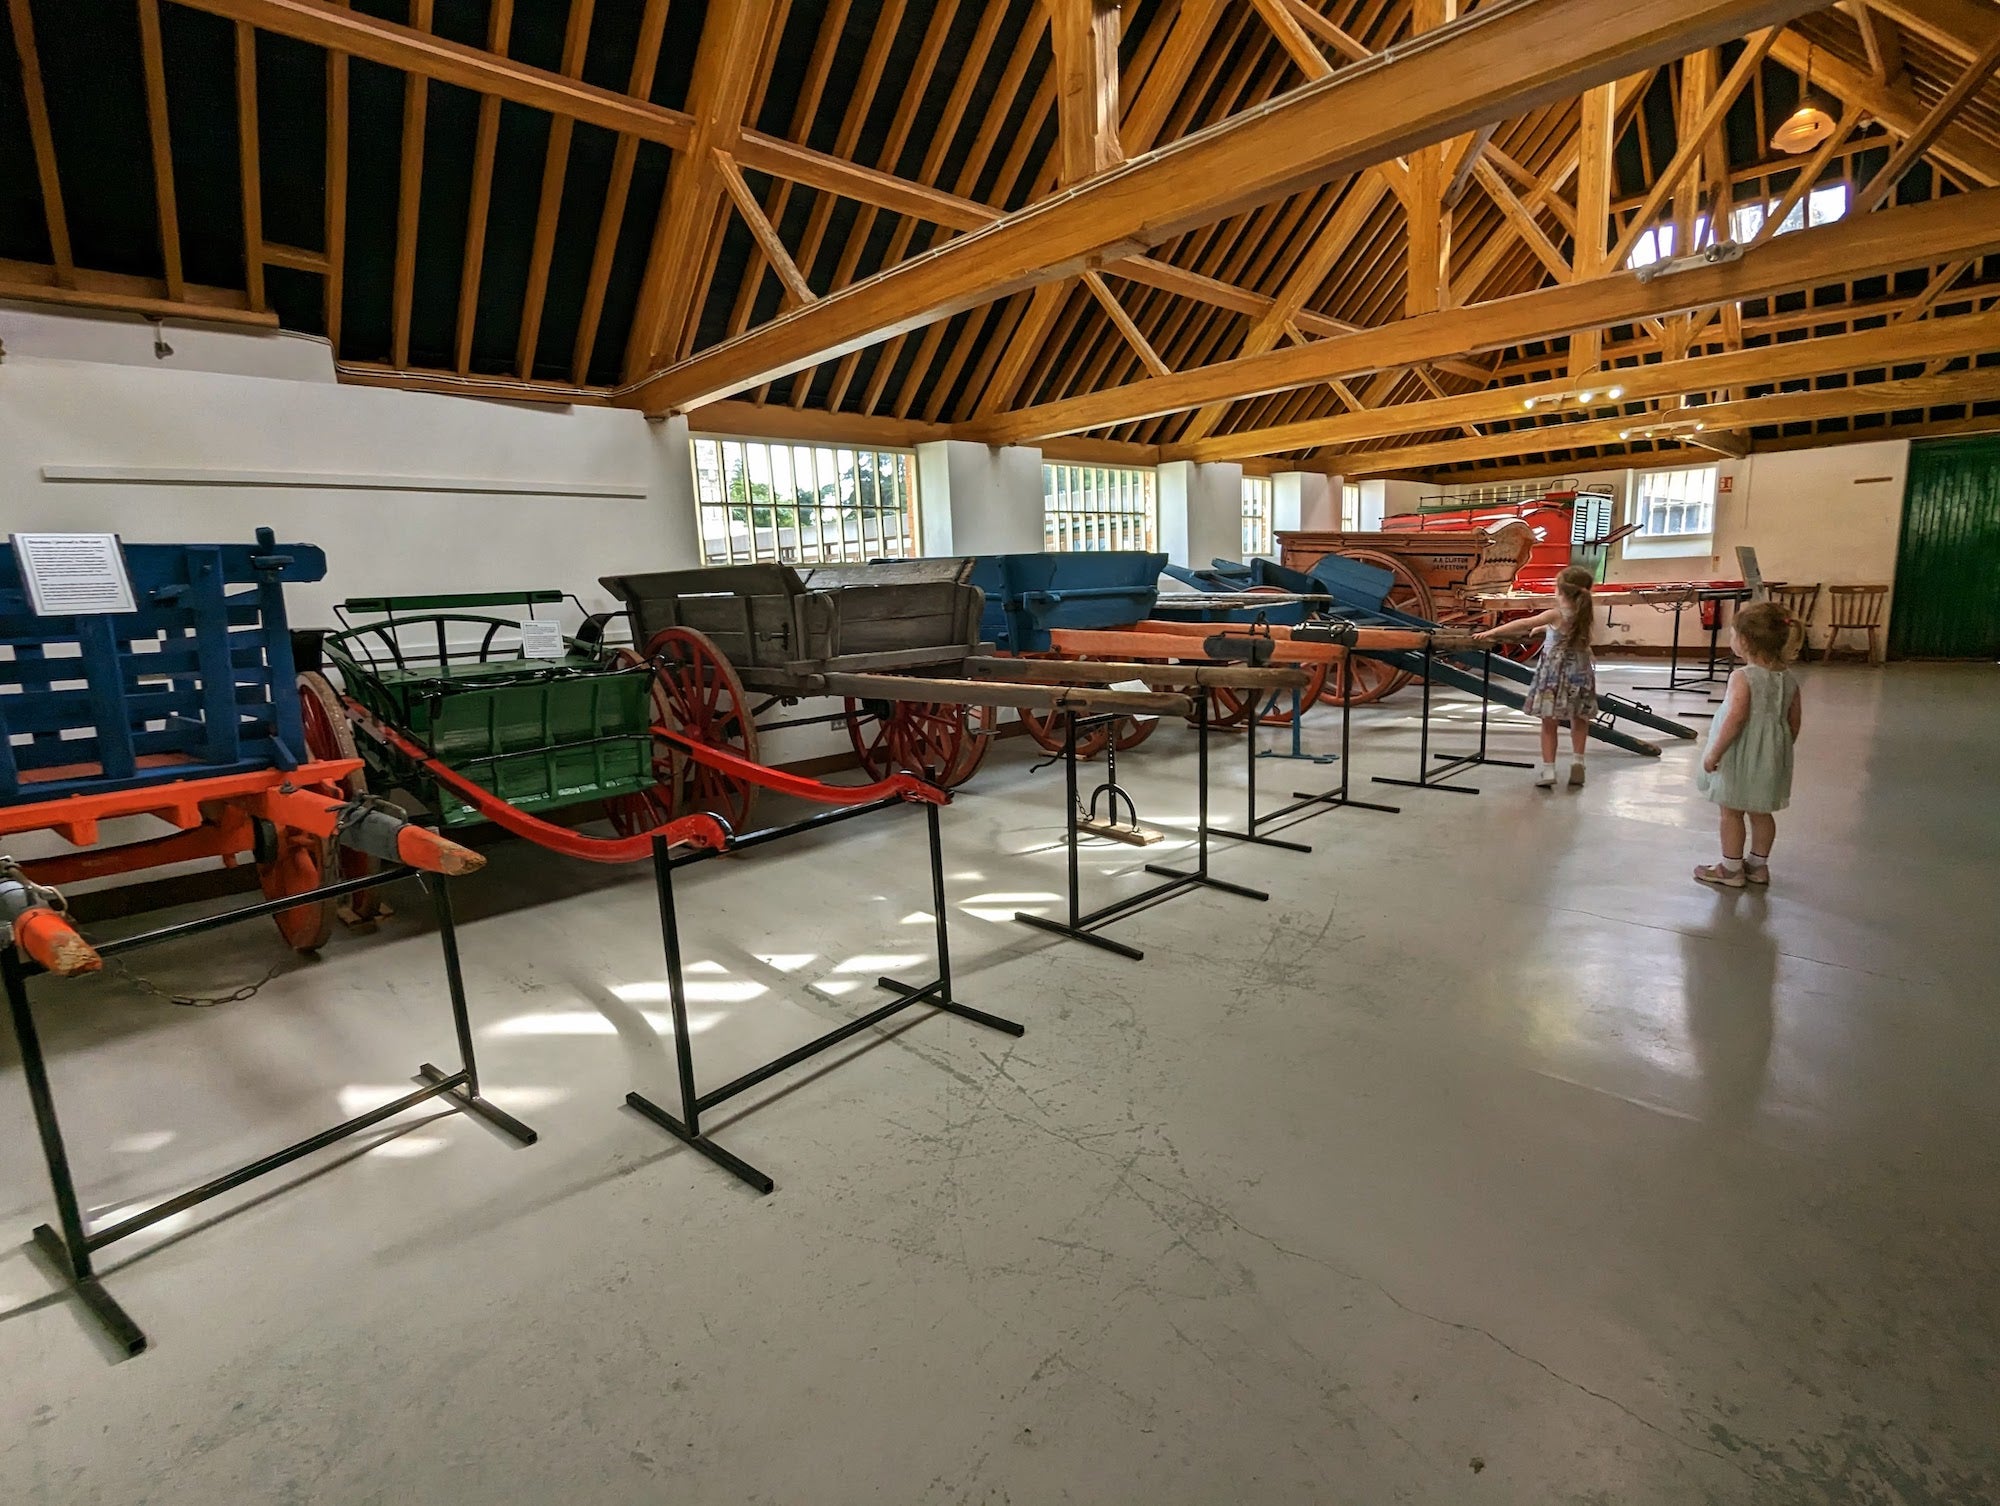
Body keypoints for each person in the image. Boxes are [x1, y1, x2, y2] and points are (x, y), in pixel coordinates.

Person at [1694, 601, 1802, 888]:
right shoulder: (1788, 679)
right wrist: (1779, 749)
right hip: (1771, 756)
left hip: (1739, 754)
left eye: (1732, 635)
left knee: (1731, 810)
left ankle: (1730, 868)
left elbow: (1736, 718)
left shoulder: (1742, 676)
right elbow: (1794, 723)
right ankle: (1757, 866)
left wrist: (1714, 751)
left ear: (1745, 641)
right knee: (1761, 811)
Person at [1477, 564, 1598, 789]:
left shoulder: (1555, 614)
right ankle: (1578, 761)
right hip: (1580, 671)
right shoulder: (1585, 612)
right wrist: (1545, 630)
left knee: (1549, 722)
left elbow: (1523, 623)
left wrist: (1492, 632)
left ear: (1560, 592)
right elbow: (1569, 633)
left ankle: (1549, 770)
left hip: (1554, 672)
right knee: (1579, 718)